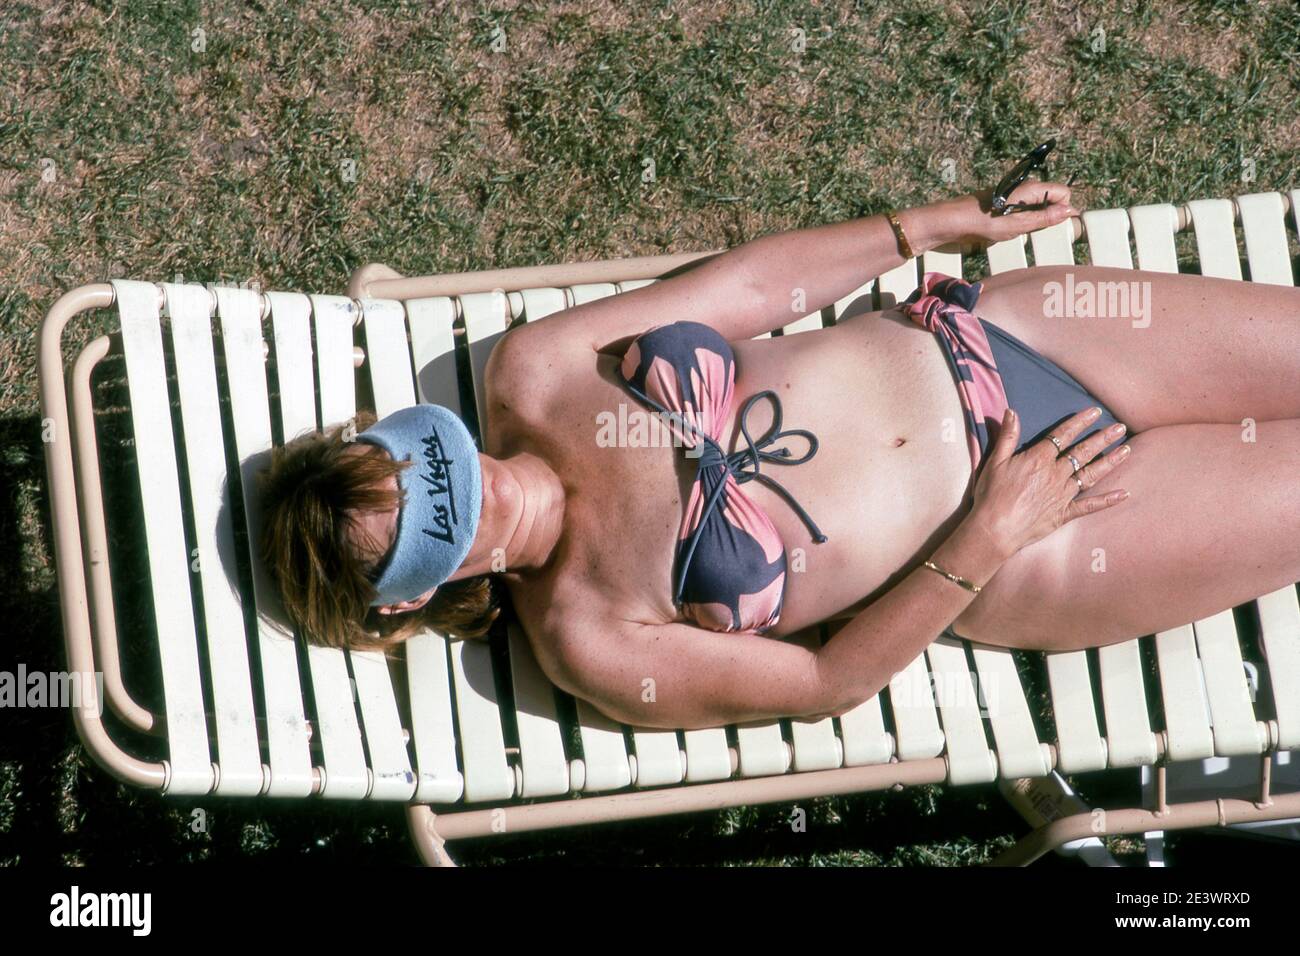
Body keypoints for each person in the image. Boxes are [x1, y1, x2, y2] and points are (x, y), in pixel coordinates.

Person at [257, 178, 1300, 731]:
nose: (461, 483)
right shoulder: (591, 637)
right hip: (1043, 539)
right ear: (409, 597)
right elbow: (824, 681)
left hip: (1020, 335)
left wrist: (929, 225)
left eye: (419, 457)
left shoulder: (533, 374)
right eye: (431, 518)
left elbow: (747, 295)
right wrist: (989, 533)